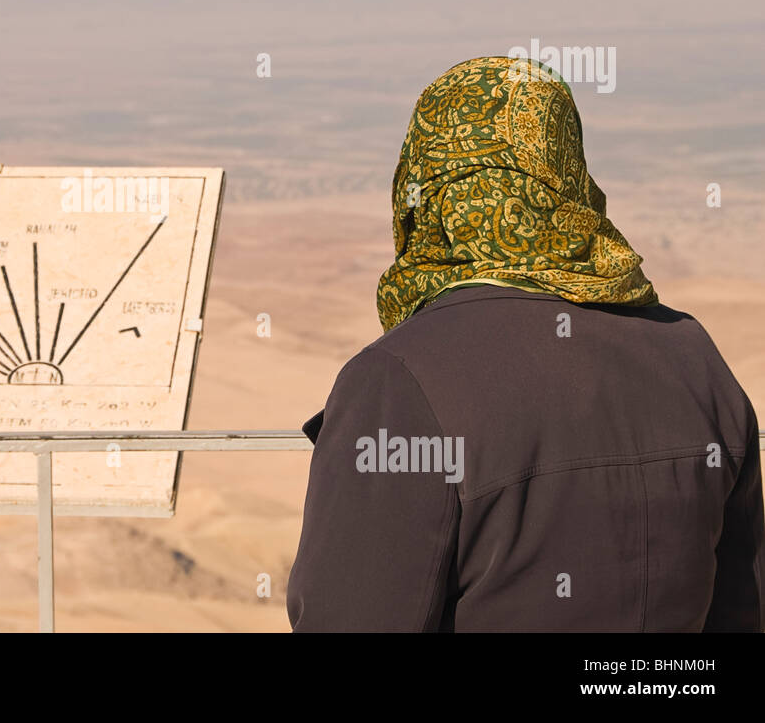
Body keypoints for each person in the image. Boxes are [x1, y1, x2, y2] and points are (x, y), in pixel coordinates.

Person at [287, 56, 763, 631]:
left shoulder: (396, 379)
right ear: (567, 169)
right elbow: (742, 606)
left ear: (423, 187)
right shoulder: (692, 355)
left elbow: (350, 616)